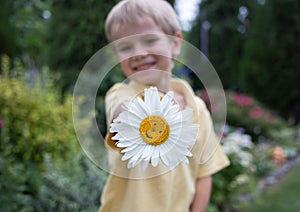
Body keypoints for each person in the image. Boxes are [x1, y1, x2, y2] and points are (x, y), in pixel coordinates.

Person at [100, 0, 230, 211]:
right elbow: (120, 114)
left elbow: (204, 173)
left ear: (176, 43)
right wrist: (147, 112)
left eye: (150, 40)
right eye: (125, 47)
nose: (138, 53)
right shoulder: (120, 94)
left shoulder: (196, 108)